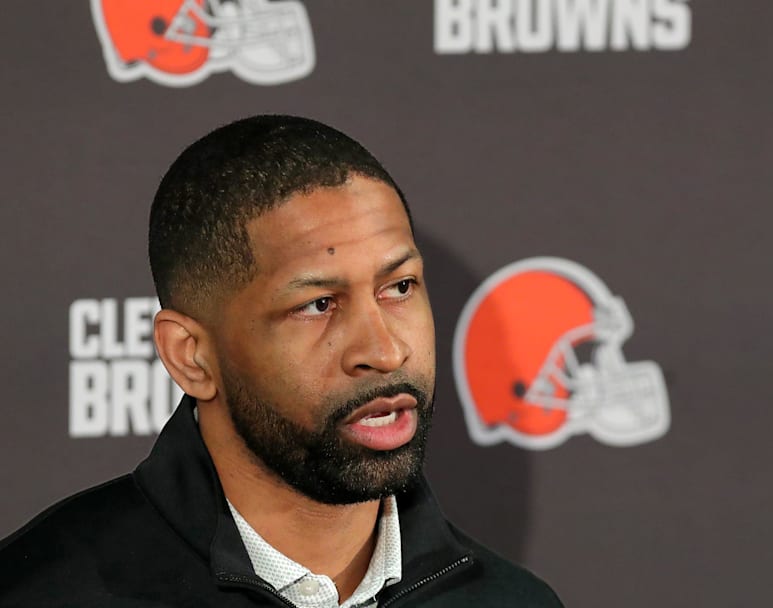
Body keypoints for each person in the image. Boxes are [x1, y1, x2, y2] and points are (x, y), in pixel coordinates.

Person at [0, 115, 563, 607]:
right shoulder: (42, 593)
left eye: (399, 287)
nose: (386, 350)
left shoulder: (513, 600)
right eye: (318, 305)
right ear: (191, 357)